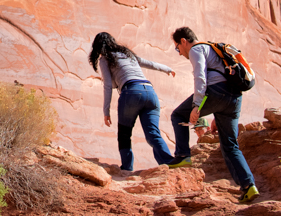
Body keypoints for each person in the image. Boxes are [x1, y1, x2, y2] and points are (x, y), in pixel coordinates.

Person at [169, 26, 259, 204]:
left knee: (178, 115)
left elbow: (200, 77)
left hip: (217, 93)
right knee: (230, 145)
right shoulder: (212, 48)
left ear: (183, 42)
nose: (178, 52)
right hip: (234, 98)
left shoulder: (196, 49)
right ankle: (249, 187)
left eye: (177, 48)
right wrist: (220, 114)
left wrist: (196, 105)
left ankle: (182, 156)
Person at [89, 32, 176, 171]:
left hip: (131, 92)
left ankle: (127, 169)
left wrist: (106, 111)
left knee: (124, 134)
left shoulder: (105, 59)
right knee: (153, 133)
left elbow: (107, 85)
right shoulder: (128, 54)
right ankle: (169, 163)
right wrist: (168, 69)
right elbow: (150, 64)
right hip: (150, 92)